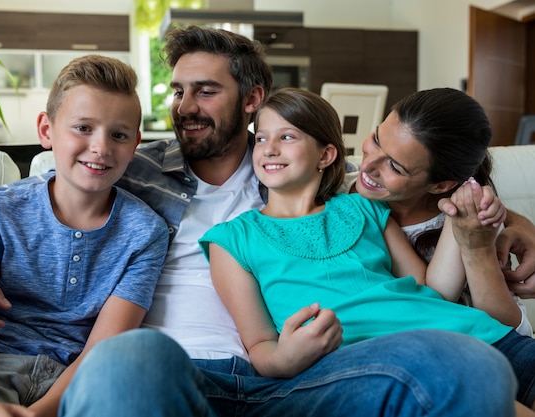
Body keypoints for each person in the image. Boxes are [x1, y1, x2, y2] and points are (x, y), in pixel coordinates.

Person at [0, 26, 522, 416]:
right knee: (130, 360)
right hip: (165, 372)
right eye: (177, 92)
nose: (183, 107)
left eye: (204, 91)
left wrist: (509, 216)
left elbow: (407, 184)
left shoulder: (296, 171)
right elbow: (34, 192)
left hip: (296, 378)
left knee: (466, 366)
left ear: (252, 99)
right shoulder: (132, 162)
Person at [198, 87, 535, 411]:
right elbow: (259, 345)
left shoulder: (364, 207)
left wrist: (459, 220)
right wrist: (284, 359)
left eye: (286, 137)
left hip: (476, 334)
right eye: (260, 138)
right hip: (389, 361)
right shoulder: (232, 239)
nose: (268, 148)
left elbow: (432, 292)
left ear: (327, 155)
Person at [0, 55, 169, 417]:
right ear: (46, 131)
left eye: (119, 134)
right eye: (83, 127)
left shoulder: (145, 233)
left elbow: (104, 350)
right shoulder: (0, 213)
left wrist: (41, 414)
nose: (101, 146)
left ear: (135, 144)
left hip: (80, 383)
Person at [348, 87, 533, 335]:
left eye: (395, 166)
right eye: (377, 139)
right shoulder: (337, 192)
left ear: (441, 185)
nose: (367, 164)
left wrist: (477, 247)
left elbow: (517, 338)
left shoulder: (471, 220)